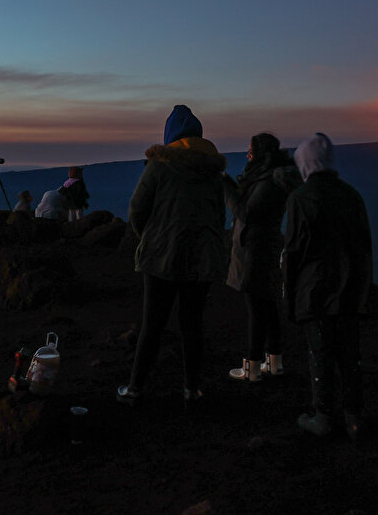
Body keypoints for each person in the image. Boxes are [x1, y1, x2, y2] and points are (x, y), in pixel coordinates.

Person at [117, 105, 227, 407]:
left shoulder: (159, 166)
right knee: (192, 324)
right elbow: (219, 215)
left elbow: (137, 209)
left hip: (161, 257)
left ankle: (135, 389)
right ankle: (192, 389)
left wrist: (151, 237)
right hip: (202, 257)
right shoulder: (213, 171)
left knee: (152, 324)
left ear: (170, 136)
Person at [283, 132, 373, 440]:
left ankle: (323, 417)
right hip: (350, 289)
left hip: (315, 290)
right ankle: (354, 419)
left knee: (320, 353)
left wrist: (290, 296)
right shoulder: (352, 195)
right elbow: (364, 247)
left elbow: (293, 251)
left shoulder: (301, 198)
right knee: (350, 355)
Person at [223, 133, 300, 382]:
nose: (248, 155)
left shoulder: (268, 181)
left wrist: (225, 187)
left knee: (256, 306)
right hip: (263, 248)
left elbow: (247, 212)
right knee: (268, 305)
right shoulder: (268, 177)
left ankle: (252, 368)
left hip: (256, 251)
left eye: (251, 151)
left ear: (260, 154)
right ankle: (274, 363)